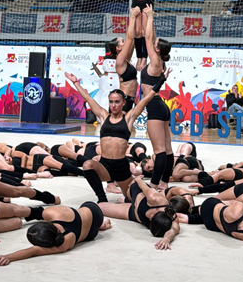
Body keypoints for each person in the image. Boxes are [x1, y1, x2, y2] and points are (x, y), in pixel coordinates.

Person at [64, 70, 167, 202]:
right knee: (88, 165)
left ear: (124, 102)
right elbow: (88, 98)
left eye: (117, 102)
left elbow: (146, 99)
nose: (113, 105)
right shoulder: (103, 115)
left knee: (133, 199)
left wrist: (161, 81)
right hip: (105, 164)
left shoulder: (129, 118)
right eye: (111, 102)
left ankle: (127, 197)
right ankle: (102, 199)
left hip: (121, 166)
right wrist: (75, 82)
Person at [0, 202, 111, 266]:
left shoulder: (63, 244)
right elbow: (36, 212)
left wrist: (8, 257)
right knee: (78, 214)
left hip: (91, 234)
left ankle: (102, 224)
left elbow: (33, 251)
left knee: (92, 226)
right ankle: (102, 223)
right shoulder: (52, 212)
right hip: (92, 209)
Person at [98, 177, 180, 250]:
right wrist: (137, 179)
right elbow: (141, 184)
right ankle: (126, 200)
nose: (150, 218)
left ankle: (123, 201)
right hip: (136, 192)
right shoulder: (155, 198)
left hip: (133, 213)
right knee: (100, 206)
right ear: (153, 215)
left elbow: (174, 230)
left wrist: (167, 239)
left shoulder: (171, 216)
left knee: (101, 207)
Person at [142, 5, 173, 190]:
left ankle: (154, 185)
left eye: (156, 44)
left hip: (154, 106)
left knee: (159, 151)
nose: (153, 44)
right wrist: (149, 18)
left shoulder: (155, 61)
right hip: (160, 105)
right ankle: (164, 182)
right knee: (167, 150)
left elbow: (147, 38)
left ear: (158, 50)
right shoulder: (159, 60)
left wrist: (151, 16)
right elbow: (151, 38)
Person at [108, 7, 139, 113]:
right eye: (122, 42)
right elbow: (130, 39)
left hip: (130, 99)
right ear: (118, 48)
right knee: (118, 128)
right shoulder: (120, 60)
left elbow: (133, 39)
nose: (125, 42)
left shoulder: (125, 59)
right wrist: (133, 17)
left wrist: (138, 19)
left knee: (125, 129)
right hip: (123, 99)